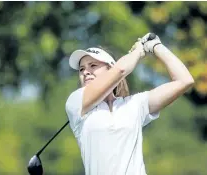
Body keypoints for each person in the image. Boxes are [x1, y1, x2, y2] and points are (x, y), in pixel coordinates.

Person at [65, 33, 194, 175]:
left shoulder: (134, 104)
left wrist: (156, 46)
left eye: (93, 65)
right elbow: (121, 70)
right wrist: (139, 51)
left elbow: (184, 80)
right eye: (81, 69)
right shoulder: (76, 102)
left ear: (110, 69)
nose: (86, 72)